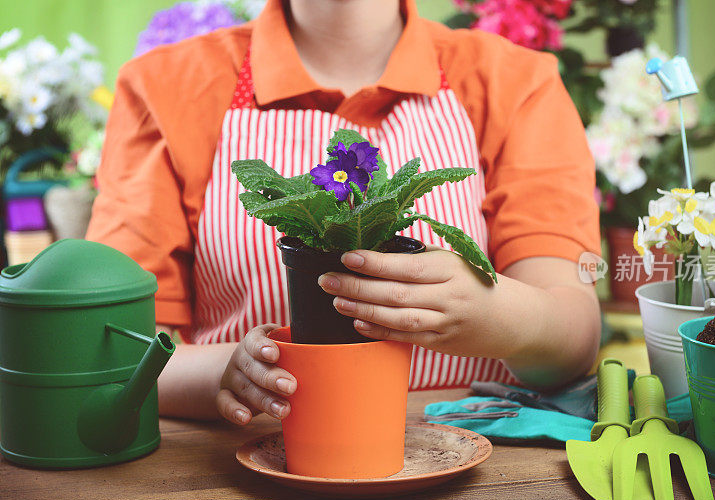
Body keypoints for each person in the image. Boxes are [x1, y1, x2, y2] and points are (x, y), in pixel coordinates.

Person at [87, 0, 601, 426]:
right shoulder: (167, 87)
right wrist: (230, 371)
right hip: (255, 456)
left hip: (478, 463)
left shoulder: (513, 82)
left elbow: (572, 335)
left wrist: (497, 316)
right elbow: (115, 350)